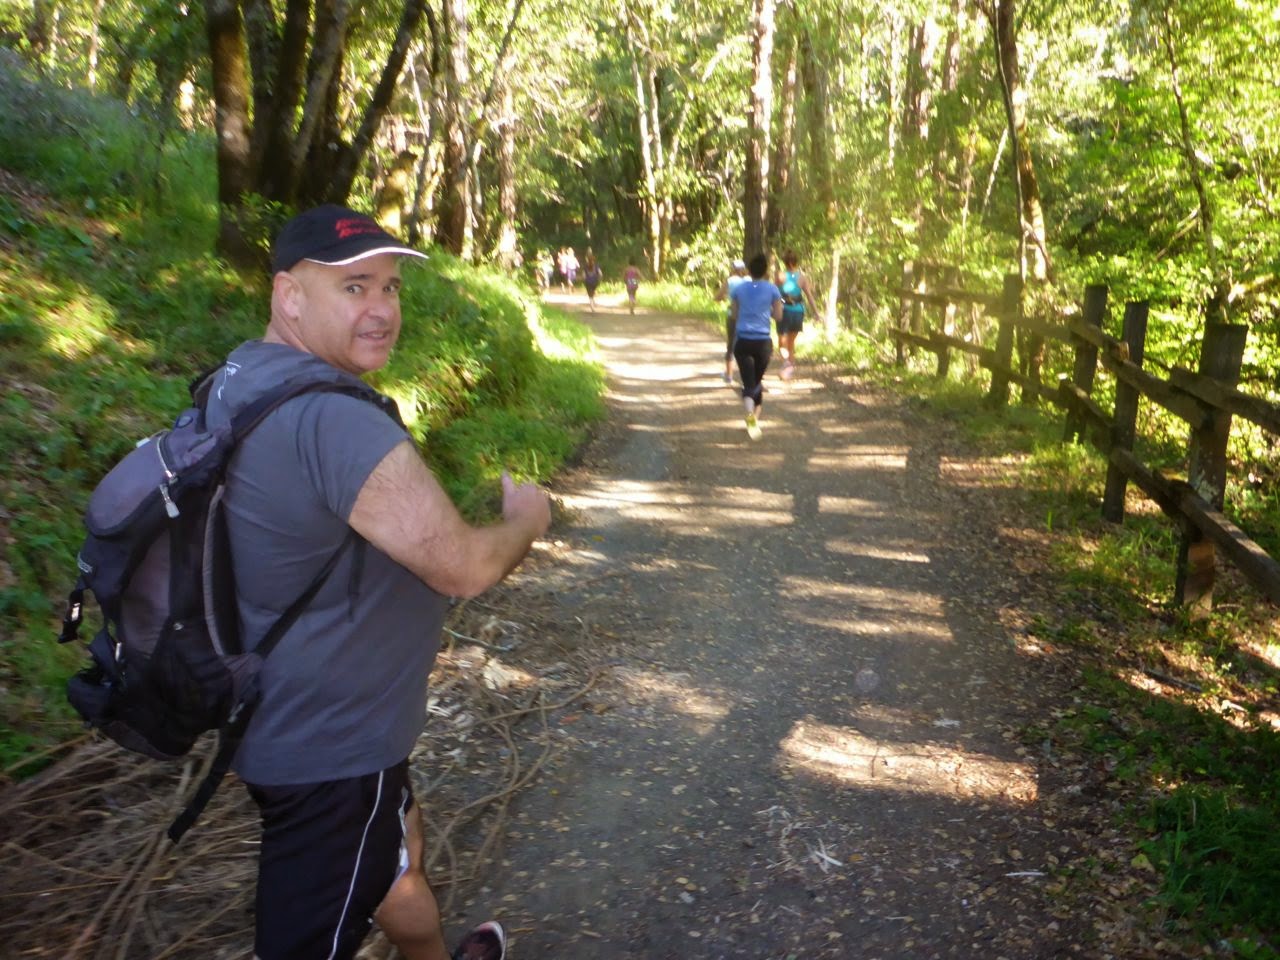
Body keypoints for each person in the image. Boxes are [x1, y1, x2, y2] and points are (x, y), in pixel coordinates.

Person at [205, 205, 549, 960]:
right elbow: (464, 565)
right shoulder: (332, 421)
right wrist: (525, 521)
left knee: (398, 859)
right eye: (354, 287)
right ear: (289, 296)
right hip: (331, 754)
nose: (383, 309)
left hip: (281, 711)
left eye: (390, 288)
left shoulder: (241, 376)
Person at [729, 252, 782, 439]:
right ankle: (753, 419)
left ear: (749, 271)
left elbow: (734, 315)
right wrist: (766, 310)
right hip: (763, 343)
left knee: (749, 382)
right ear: (765, 271)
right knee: (756, 382)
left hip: (743, 341)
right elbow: (778, 316)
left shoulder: (739, 289)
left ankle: (751, 416)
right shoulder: (773, 290)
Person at [775, 249, 819, 379]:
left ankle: (787, 365)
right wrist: (816, 313)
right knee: (790, 342)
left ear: (785, 262)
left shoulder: (780, 275)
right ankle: (788, 367)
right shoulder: (802, 277)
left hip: (785, 310)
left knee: (783, 342)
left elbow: (773, 293)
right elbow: (809, 296)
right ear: (796, 262)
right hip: (797, 311)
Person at [713, 258, 749, 383]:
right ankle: (748, 375)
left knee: (731, 345)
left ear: (733, 269)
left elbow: (717, 297)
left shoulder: (730, 280)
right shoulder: (750, 280)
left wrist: (723, 297)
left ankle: (729, 375)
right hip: (748, 316)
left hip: (733, 315)